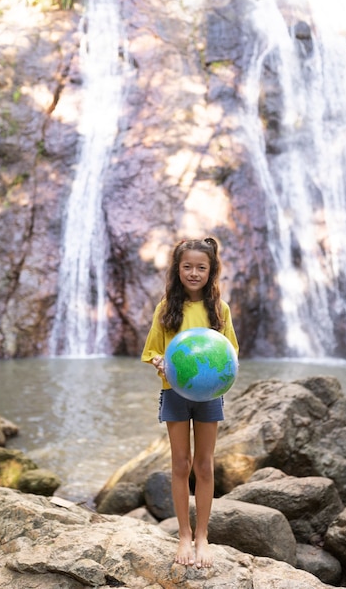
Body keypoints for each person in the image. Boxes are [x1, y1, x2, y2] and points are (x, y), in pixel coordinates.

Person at [141, 237, 239, 569]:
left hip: (209, 394)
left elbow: (231, 353)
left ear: (211, 271)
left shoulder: (220, 310)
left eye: (201, 267)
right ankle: (183, 534)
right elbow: (152, 350)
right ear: (177, 269)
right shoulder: (165, 308)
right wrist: (158, 362)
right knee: (181, 463)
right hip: (174, 392)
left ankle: (202, 536)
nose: (193, 273)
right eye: (187, 266)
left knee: (205, 465)